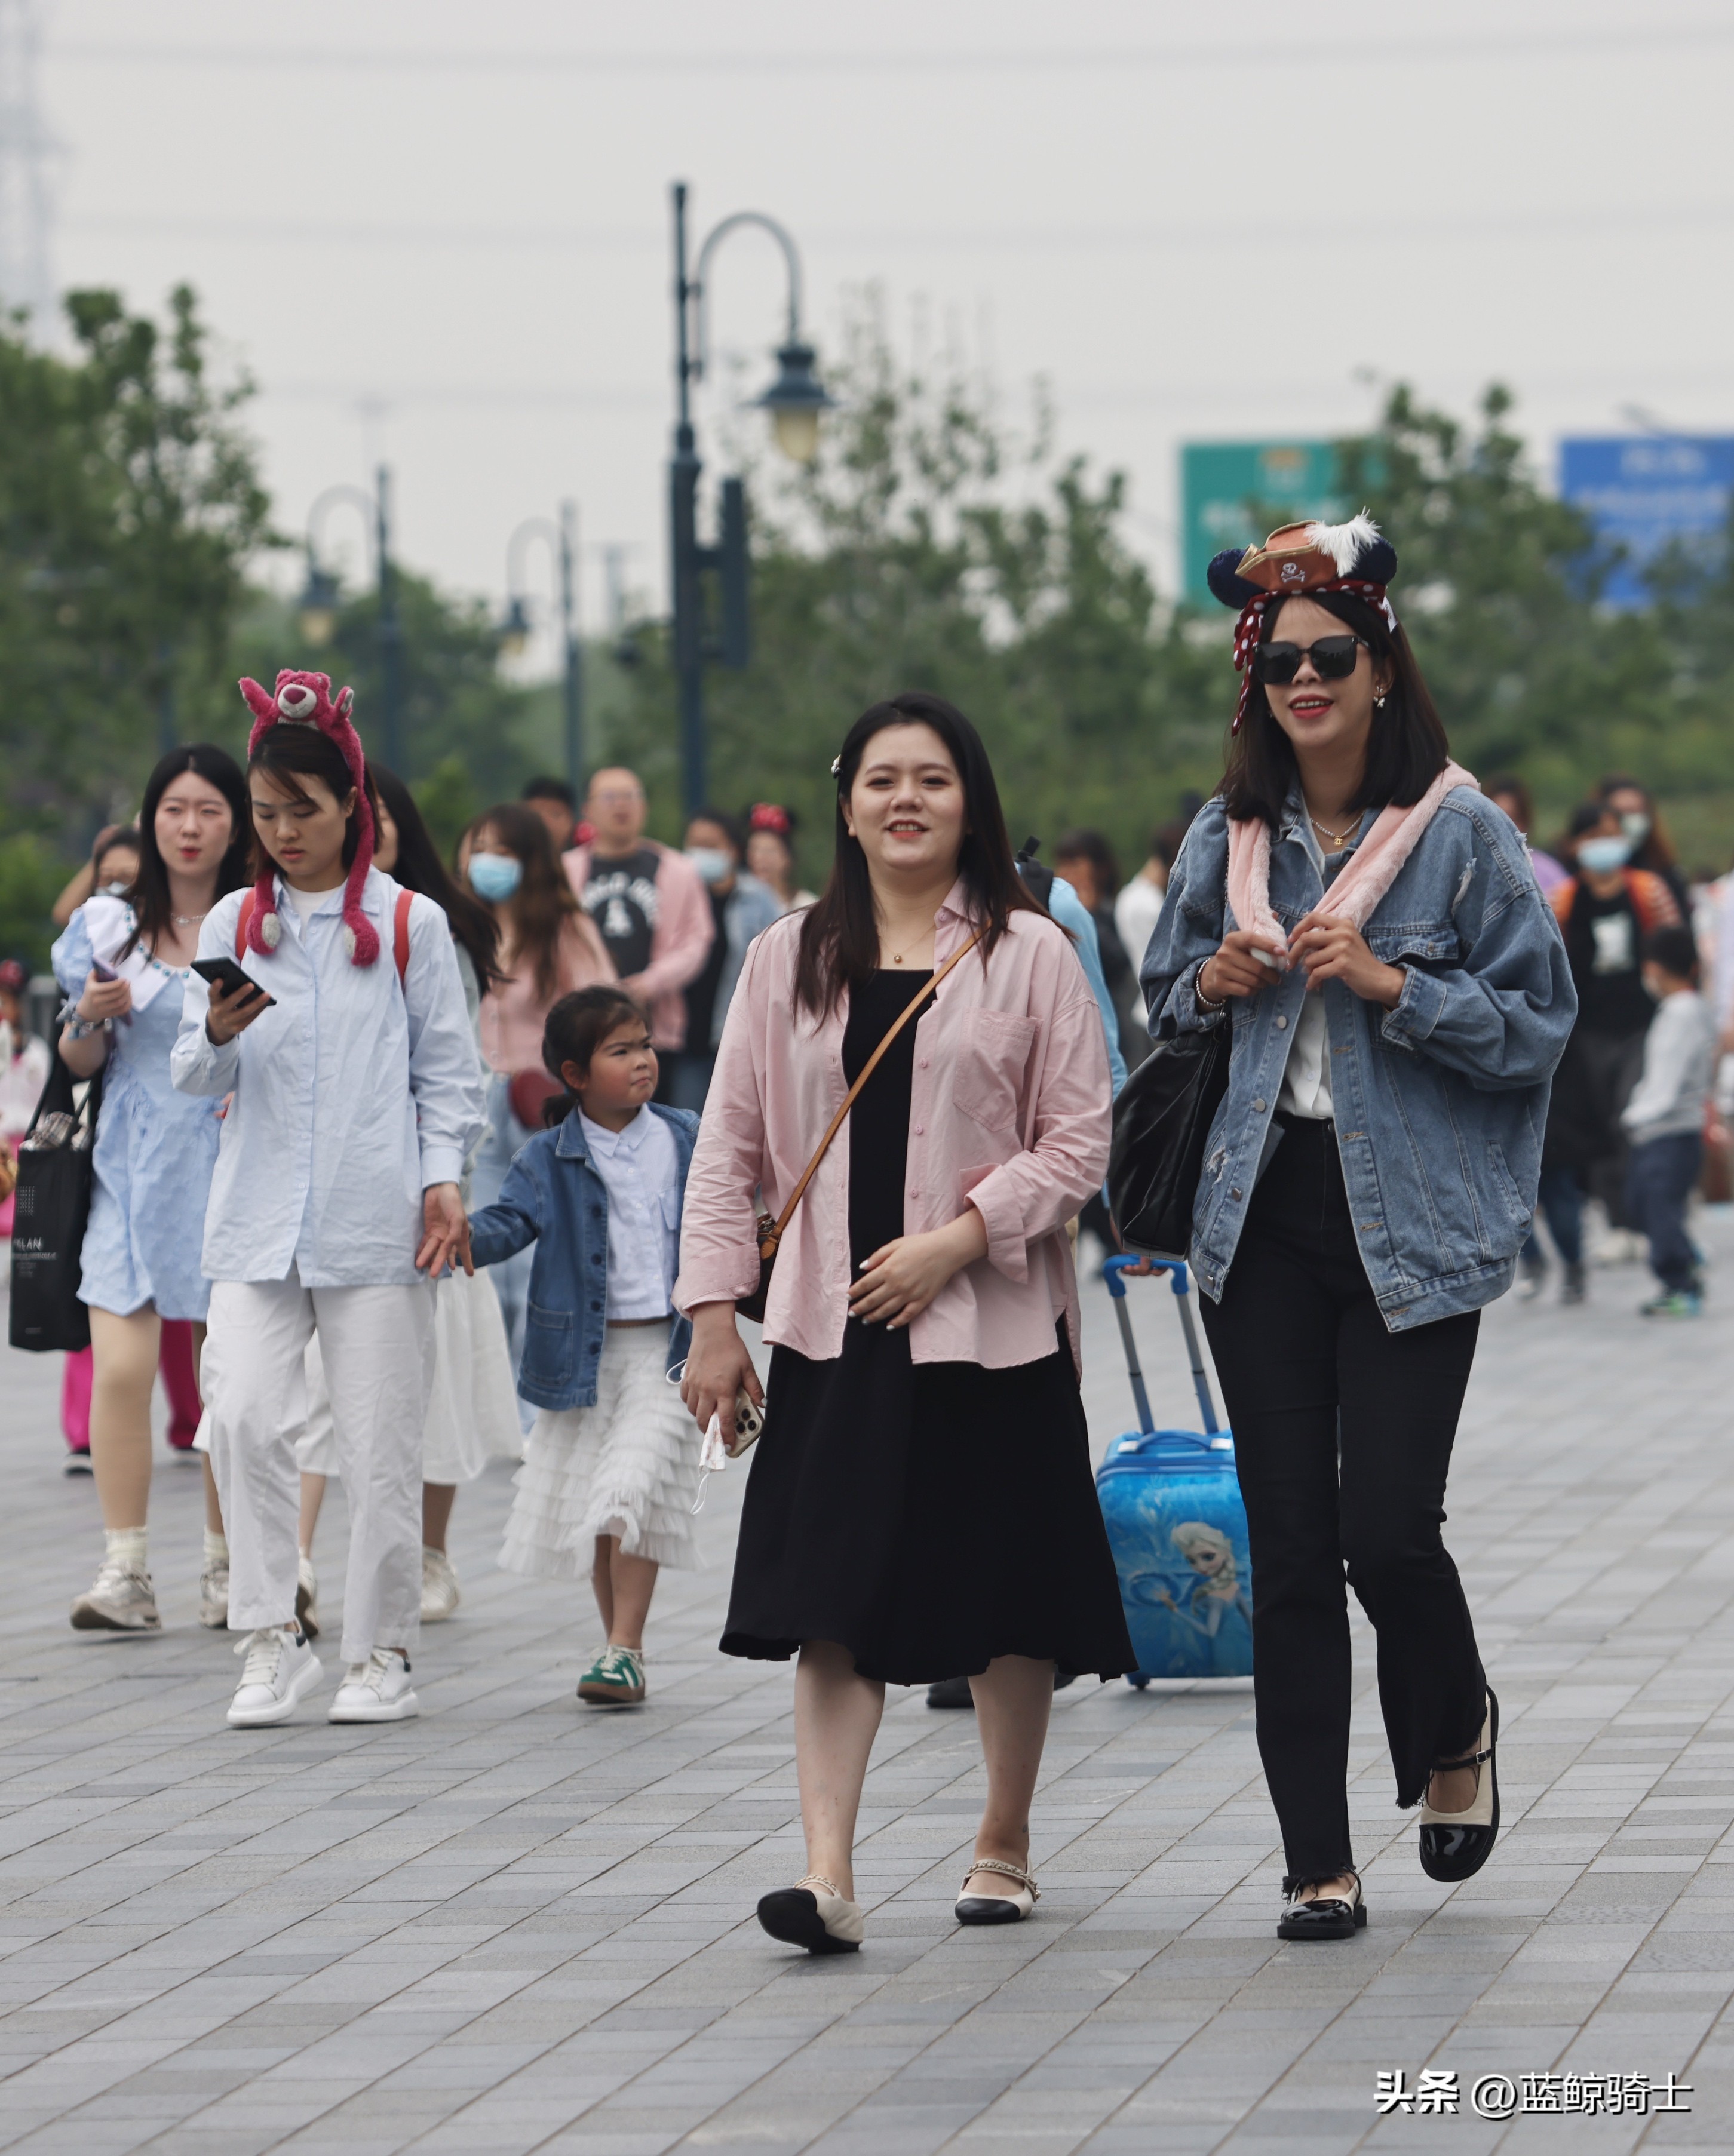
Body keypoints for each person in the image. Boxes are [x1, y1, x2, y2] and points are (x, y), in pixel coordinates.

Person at [1141, 516, 1575, 1942]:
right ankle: (1312, 1860)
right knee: (1286, 1543)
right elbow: (1159, 1007)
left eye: (1331, 655)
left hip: (1415, 1225)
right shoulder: (1230, 836)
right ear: (1251, 683)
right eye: (1279, 662)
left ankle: (1453, 1726)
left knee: (1387, 1533)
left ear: (1380, 665)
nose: (1305, 680)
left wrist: (1393, 984)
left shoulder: (1458, 832)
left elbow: (1535, 1030)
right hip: (1256, 1215)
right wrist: (1211, 974)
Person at [677, 691, 1133, 1957]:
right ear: (845, 801)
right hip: (832, 1325)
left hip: (989, 1326)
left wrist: (959, 1235)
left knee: (1005, 1593)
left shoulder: (1027, 952)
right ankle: (826, 1873)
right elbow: (728, 1147)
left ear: (969, 802)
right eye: (881, 778)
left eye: (931, 778)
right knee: (832, 1598)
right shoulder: (784, 956)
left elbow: (1079, 1137)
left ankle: (1003, 1838)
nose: (904, 800)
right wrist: (714, 1315)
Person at [172, 672, 483, 1730]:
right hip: (255, 1221)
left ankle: (380, 1652)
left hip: (375, 1220)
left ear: (352, 803)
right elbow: (192, 1074)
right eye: (266, 812)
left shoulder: (410, 926)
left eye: (302, 809)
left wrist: (442, 1178)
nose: (282, 830)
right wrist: (216, 1030)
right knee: (245, 1416)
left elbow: (450, 1076)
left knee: (379, 1440)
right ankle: (271, 1638)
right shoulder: (230, 919)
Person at [293, 763, 518, 1629]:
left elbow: (457, 1075)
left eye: (379, 813)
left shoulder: (432, 929)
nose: (367, 827)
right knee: (315, 1388)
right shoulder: (281, 924)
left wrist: (447, 1180)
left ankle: (428, 1554)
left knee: (429, 1388)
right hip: (326, 1200)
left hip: (424, 1196)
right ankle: (303, 1561)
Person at [53, 747, 251, 1632]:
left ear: (236, 822)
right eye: (174, 808)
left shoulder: (258, 923)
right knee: (124, 1368)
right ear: (149, 818)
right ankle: (125, 1568)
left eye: (209, 809)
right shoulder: (107, 927)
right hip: (131, 1168)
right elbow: (79, 1061)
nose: (190, 826)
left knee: (228, 1379)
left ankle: (226, 1563)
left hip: (232, 1161)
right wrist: (85, 1022)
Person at [468, 987, 702, 1706]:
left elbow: (734, 1208)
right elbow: (506, 1224)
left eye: (645, 1045)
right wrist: (450, 1235)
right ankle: (617, 1649)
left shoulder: (687, 1134)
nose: (643, 1061)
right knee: (601, 1512)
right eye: (620, 1050)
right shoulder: (547, 1157)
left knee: (631, 1490)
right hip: (583, 1361)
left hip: (668, 1354)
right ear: (574, 1075)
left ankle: (623, 1646)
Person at [466, 803, 615, 1402]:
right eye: (479, 847)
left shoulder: (561, 927)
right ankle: (493, 1400)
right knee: (483, 1250)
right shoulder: (460, 925)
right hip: (476, 1103)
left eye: (502, 852)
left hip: (540, 1103)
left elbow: (605, 1007)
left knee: (536, 1254)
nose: (487, 863)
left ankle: (536, 1401)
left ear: (530, 861)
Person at [1546, 801, 1681, 1264]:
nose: (1603, 846)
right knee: (1601, 1124)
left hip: (1641, 1024)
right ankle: (1618, 1219)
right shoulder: (1562, 901)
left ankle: (1647, 1215)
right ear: (1575, 846)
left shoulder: (1646, 890)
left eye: (1611, 834)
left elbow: (1674, 948)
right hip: (1588, 1030)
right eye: (1593, 837)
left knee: (1633, 1117)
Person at [563, 767, 713, 1062]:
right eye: (609, 797)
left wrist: (647, 985)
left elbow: (696, 941)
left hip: (657, 1029)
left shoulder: (679, 870)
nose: (621, 805)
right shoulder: (565, 872)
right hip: (581, 1025)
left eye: (630, 797)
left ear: (644, 807)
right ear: (587, 810)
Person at [1621, 925, 1715, 1317]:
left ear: (1654, 968)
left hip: (1670, 1133)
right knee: (1641, 1204)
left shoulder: (1681, 1014)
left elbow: (1668, 1078)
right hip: (1663, 1132)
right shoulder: (1685, 1009)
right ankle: (1683, 1253)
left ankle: (1680, 1285)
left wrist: (1634, 1115)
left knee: (1657, 1209)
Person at [673, 808, 781, 1111]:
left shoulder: (758, 898)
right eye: (694, 844)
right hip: (685, 1041)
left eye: (710, 846)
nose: (699, 854)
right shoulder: (677, 895)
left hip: (735, 1041)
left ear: (733, 851)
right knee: (688, 1129)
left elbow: (777, 963)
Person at [1051, 828, 1138, 1068]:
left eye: (1075, 862)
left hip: (1121, 1032)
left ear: (1100, 868)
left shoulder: (1117, 911)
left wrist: (1085, 916)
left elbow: (1119, 961)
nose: (1066, 872)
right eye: (1062, 863)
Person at [1598, 775, 1689, 915]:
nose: (1631, 820)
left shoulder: (1664, 869)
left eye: (1636, 812)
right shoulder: (1583, 868)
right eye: (1622, 814)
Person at [50, 824, 144, 929]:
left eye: (126, 877)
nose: (115, 887)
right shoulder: (96, 933)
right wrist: (97, 856)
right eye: (107, 879)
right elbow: (63, 916)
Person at [1484, 775, 1566, 895]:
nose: (1504, 828)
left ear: (1525, 820)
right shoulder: (1470, 872)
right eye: (1496, 819)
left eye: (1512, 819)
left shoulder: (1548, 872)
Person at [745, 802, 818, 912]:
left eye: (769, 851)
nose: (759, 858)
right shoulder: (739, 900)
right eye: (754, 850)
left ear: (787, 858)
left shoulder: (807, 905)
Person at [522, 775, 579, 855]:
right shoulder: (510, 864)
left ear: (571, 820)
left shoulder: (586, 865)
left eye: (555, 814)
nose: (545, 823)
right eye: (536, 815)